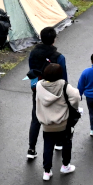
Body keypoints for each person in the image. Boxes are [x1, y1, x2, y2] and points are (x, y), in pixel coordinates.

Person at [26, 27, 68, 161]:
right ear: (54, 40)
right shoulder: (59, 57)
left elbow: (32, 70)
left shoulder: (33, 53)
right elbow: (63, 77)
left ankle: (31, 149)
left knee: (36, 118)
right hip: (55, 91)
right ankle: (59, 143)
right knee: (57, 116)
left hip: (38, 89)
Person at [35, 63, 80, 181]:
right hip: (63, 123)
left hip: (46, 124)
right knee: (66, 143)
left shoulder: (39, 85)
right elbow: (75, 97)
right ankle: (65, 166)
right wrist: (73, 107)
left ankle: (46, 171)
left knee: (48, 146)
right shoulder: (64, 85)